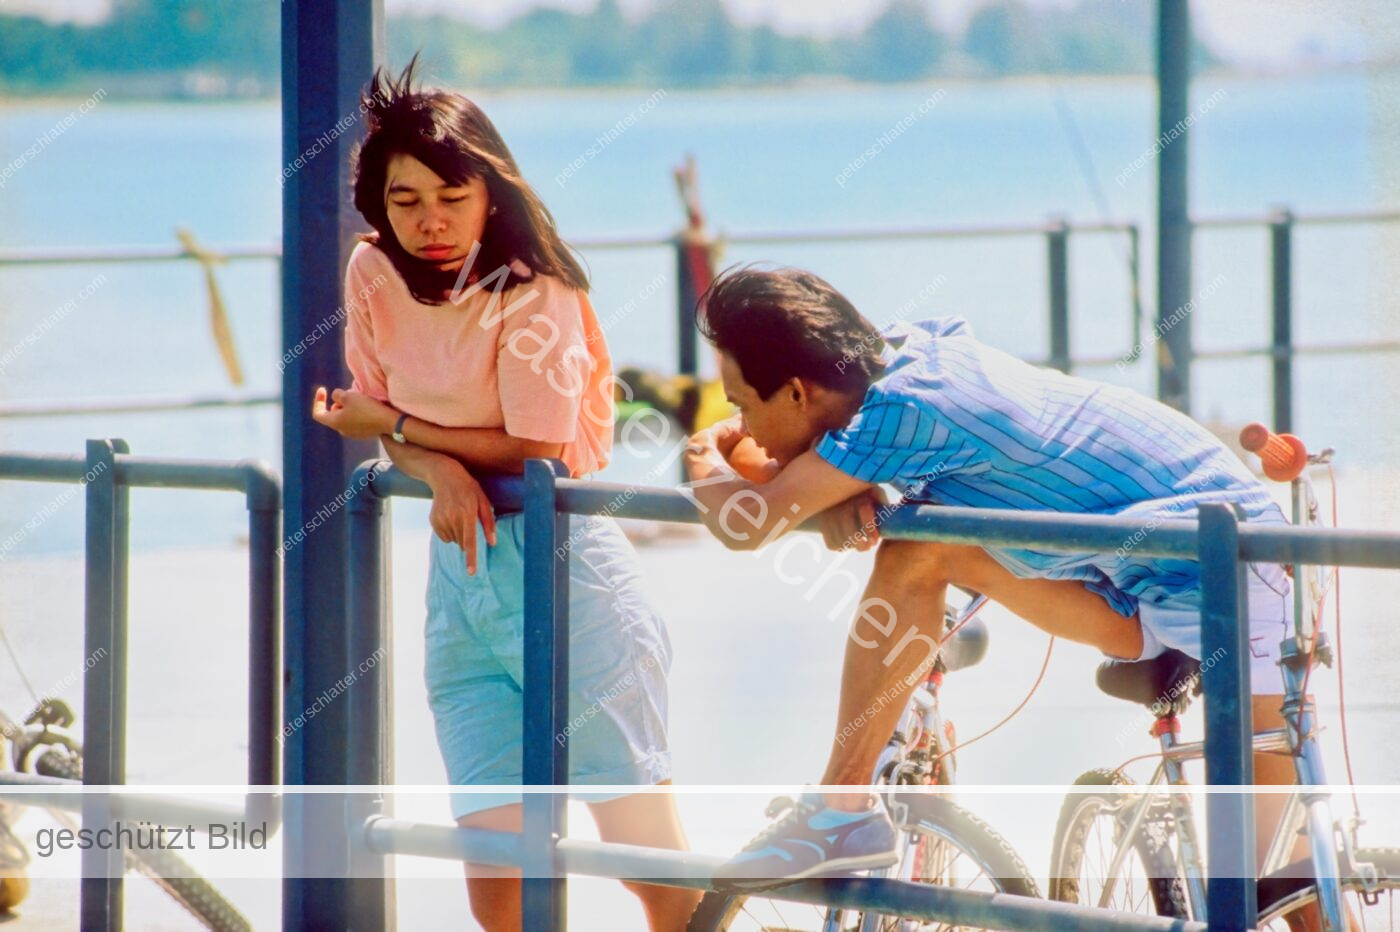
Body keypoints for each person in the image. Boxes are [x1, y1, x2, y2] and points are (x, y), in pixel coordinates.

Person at [680, 265, 1300, 891]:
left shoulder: (900, 411)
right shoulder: (909, 351)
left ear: (794, 392)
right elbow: (857, 461)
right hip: (1134, 581)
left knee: (1262, 884)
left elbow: (747, 524)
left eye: (740, 406)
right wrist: (849, 484)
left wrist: (700, 451)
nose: (743, 427)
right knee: (918, 549)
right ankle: (842, 810)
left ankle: (839, 813)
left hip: (1230, 559)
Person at [310, 59, 699, 930]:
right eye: (405, 202)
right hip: (462, 580)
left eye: (452, 197)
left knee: (654, 874)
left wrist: (407, 434)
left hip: (569, 584)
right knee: (497, 889)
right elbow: (380, 419)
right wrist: (436, 466)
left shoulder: (535, 288)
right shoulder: (372, 273)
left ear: (491, 189)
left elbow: (537, 447)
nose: (430, 223)